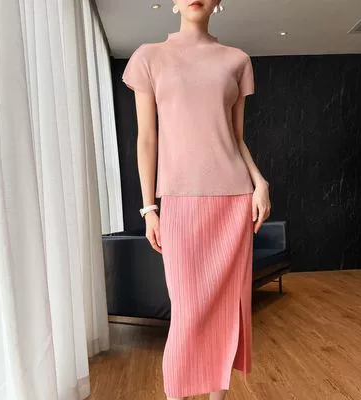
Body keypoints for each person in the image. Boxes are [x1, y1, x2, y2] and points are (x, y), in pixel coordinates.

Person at [122, 1, 271, 399]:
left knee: (225, 313)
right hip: (180, 203)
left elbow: (236, 138)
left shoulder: (237, 61)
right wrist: (149, 209)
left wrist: (259, 182)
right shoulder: (149, 57)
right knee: (187, 314)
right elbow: (147, 139)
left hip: (234, 201)